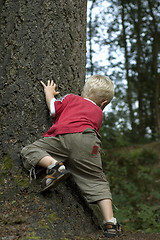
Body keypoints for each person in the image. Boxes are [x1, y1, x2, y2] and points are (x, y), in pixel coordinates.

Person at [21, 75, 123, 238]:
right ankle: (110, 222)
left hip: (62, 138)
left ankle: (54, 166)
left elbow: (53, 109)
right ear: (104, 104)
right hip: (88, 141)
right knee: (96, 180)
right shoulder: (99, 113)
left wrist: (49, 92)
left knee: (30, 150)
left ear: (83, 91)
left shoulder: (71, 98)